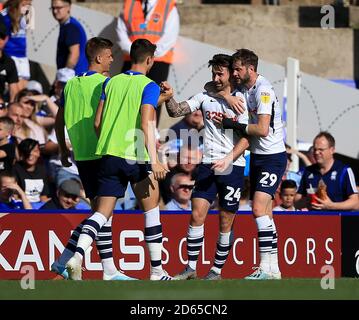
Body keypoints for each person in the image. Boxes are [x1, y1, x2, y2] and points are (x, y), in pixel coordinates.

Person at [64, 38, 172, 281]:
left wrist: (109, 142)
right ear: (150, 60)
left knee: (102, 214)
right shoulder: (149, 85)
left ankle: (77, 255)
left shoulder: (111, 82)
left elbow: (97, 122)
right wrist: (154, 160)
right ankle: (156, 272)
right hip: (136, 156)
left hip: (109, 156)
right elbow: (146, 121)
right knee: (151, 210)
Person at [162, 53, 250, 280]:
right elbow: (176, 111)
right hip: (208, 164)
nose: (216, 77)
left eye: (221, 73)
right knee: (196, 214)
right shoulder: (205, 96)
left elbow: (248, 139)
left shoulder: (242, 101)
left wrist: (229, 158)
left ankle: (217, 270)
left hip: (232, 166)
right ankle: (191, 268)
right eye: (214, 73)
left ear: (232, 73)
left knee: (225, 220)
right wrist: (170, 97)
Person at [53, 37, 134, 281]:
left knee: (101, 214)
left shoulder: (70, 84)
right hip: (102, 153)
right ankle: (69, 259)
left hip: (82, 156)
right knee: (102, 214)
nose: (112, 59)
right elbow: (106, 120)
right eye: (109, 55)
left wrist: (63, 149)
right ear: (99, 58)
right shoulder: (106, 84)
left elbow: (59, 119)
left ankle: (106, 269)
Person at [213, 49, 287, 280]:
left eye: (238, 69)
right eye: (233, 69)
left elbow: (263, 130)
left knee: (257, 208)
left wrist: (231, 124)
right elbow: (210, 87)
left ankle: (265, 268)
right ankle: (273, 269)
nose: (234, 73)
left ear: (251, 69)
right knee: (266, 213)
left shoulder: (263, 90)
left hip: (272, 157)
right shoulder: (245, 89)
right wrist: (226, 98)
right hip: (257, 157)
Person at [116, 0, 180, 124]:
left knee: (154, 96)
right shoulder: (130, 4)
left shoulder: (168, 5)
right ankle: (124, 124)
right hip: (133, 59)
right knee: (125, 94)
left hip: (158, 61)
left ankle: (152, 131)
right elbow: (121, 32)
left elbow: (169, 38)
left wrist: (149, 54)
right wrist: (136, 53)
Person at [296, 132, 359, 211]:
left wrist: (331, 206)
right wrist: (307, 201)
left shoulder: (344, 171)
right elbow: (296, 202)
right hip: (313, 221)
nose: (316, 152)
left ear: (332, 150)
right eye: (315, 149)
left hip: (338, 221)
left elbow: (356, 203)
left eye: (321, 149)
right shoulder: (308, 171)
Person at [1, 0, 32, 90]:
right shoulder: (4, 16)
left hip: (22, 56)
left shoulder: (24, 15)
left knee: (23, 90)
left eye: (29, 5)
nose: (27, 8)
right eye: (24, 5)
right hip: (11, 55)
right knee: (13, 88)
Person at [51, 0, 88, 75]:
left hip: (74, 77)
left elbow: (74, 54)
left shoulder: (71, 27)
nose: (55, 11)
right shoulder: (67, 25)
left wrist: (63, 77)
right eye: (52, 8)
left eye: (58, 8)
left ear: (68, 7)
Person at [13, 138, 51, 207]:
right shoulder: (15, 169)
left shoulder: (42, 170)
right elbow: (15, 197)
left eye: (35, 151)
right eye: (27, 151)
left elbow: (43, 197)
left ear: (39, 153)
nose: (30, 154)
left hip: (38, 207)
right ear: (21, 154)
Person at [0, 20, 18, 102]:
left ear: (6, 39)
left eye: (2, 37)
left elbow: (13, 92)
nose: (0, 40)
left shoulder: (9, 62)